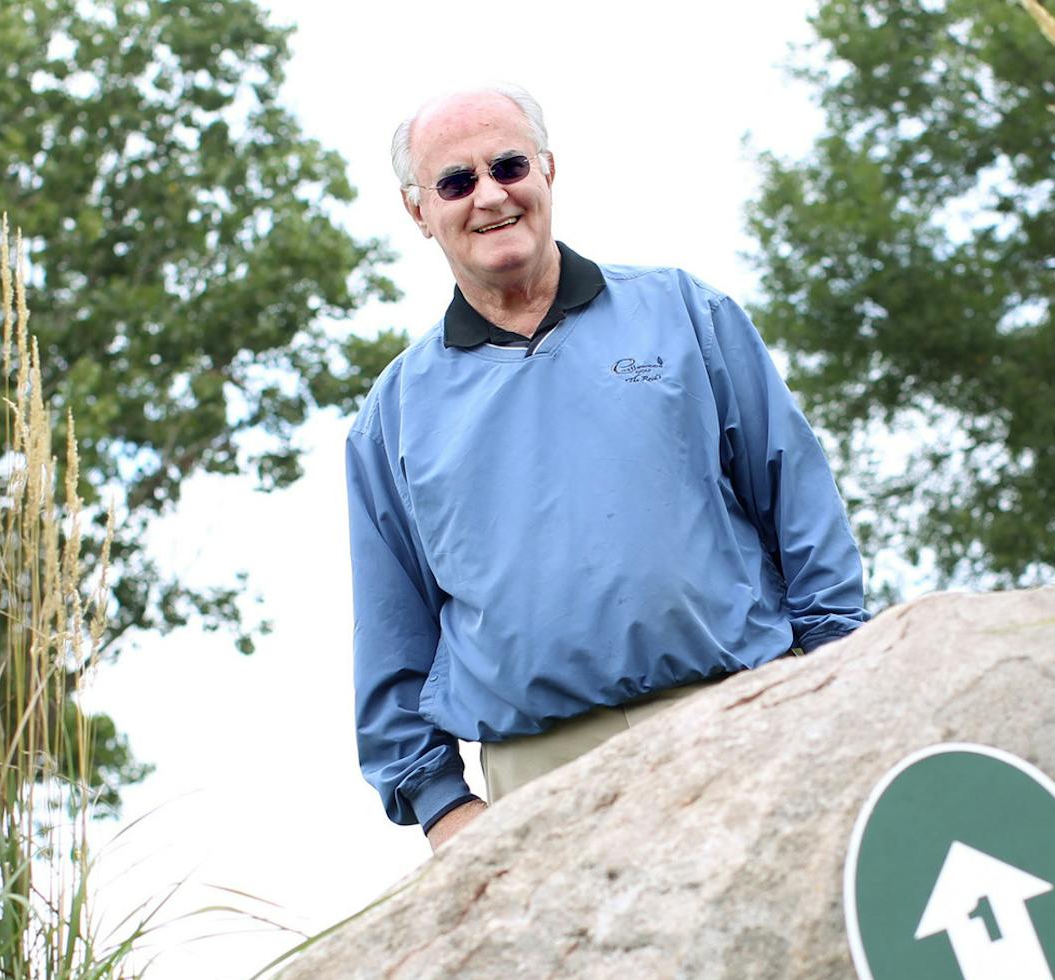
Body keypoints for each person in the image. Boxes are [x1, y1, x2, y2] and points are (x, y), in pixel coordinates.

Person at [347, 85, 868, 850]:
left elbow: (799, 501)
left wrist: (838, 676)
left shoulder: (684, 312)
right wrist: (441, 805)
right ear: (418, 211)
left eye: (509, 165)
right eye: (456, 181)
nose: (490, 194)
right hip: (538, 778)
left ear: (548, 170)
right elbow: (390, 631)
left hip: (739, 713)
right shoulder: (391, 415)